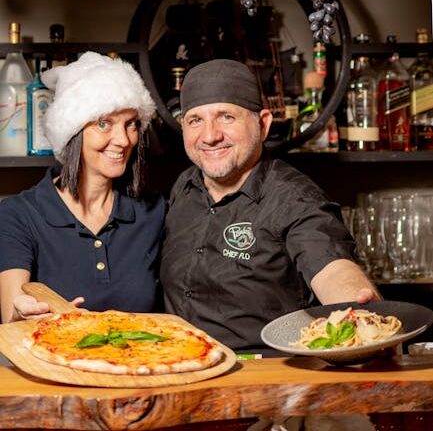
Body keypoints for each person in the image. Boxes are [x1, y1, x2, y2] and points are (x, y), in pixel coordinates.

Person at [160, 58, 379, 352]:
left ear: (262, 124)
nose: (210, 136)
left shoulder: (294, 197)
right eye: (195, 120)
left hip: (262, 372)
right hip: (177, 364)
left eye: (226, 117)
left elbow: (331, 267)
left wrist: (358, 308)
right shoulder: (183, 187)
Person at [0, 52, 165, 323]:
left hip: (145, 352)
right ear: (71, 132)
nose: (123, 140)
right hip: (51, 349)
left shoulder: (154, 211)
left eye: (131, 124)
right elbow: (11, 317)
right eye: (104, 124)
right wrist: (23, 312)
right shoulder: (18, 214)